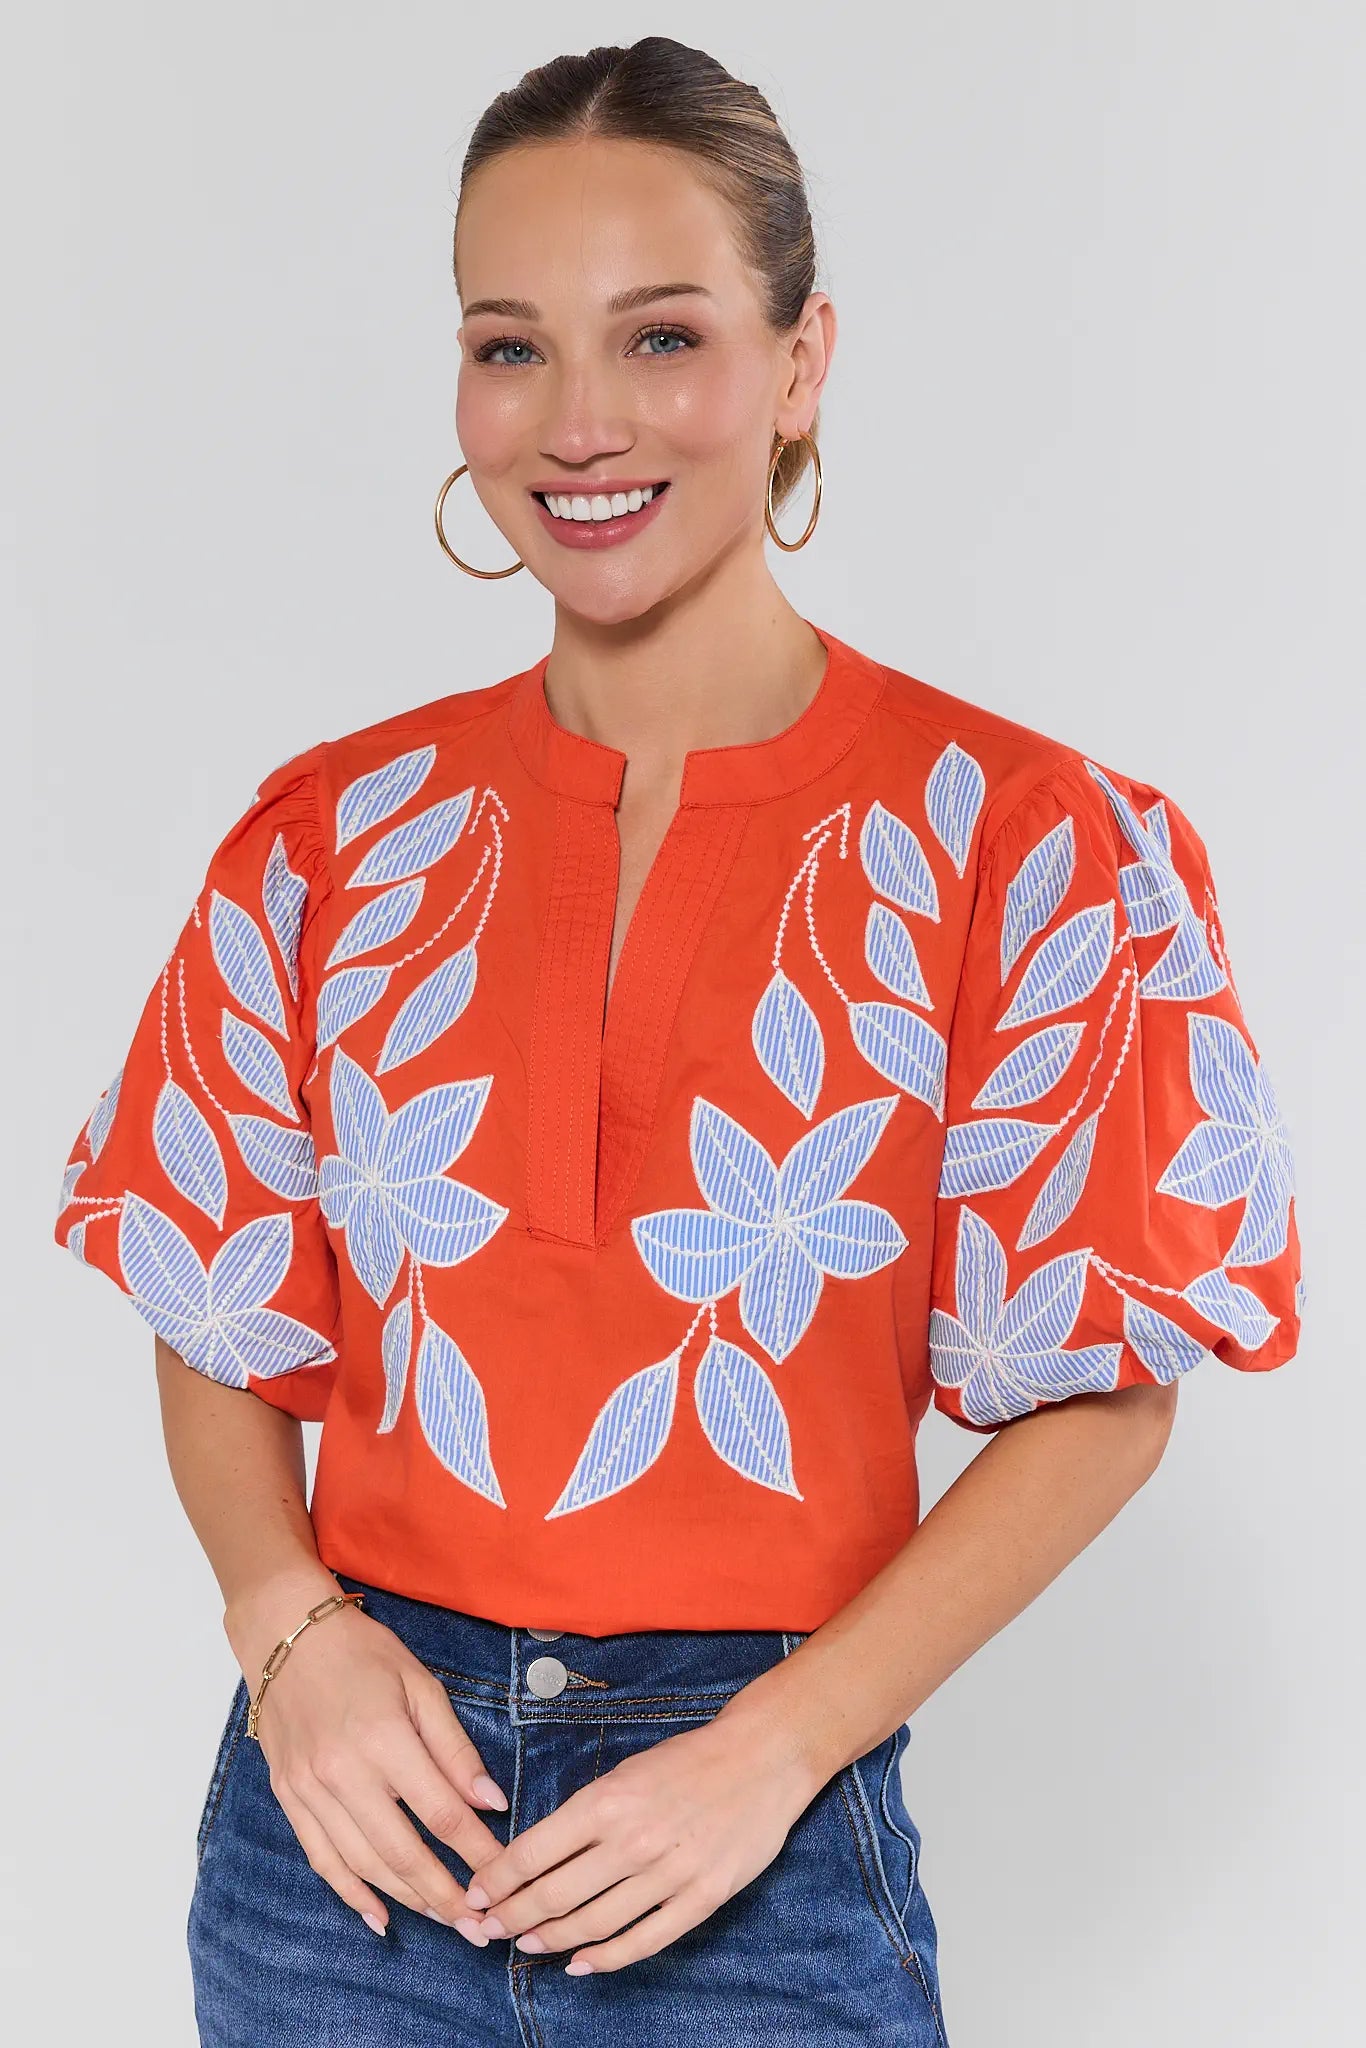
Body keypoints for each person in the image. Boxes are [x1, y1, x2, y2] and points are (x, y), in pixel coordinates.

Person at [53, 34, 1302, 2048]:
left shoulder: (1022, 845)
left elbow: (1107, 1383)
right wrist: (287, 1634)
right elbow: (213, 1304)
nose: (575, 421)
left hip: (753, 1841)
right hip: (345, 1852)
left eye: (660, 337)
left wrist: (778, 1745)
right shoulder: (328, 838)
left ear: (800, 363)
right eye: (508, 346)